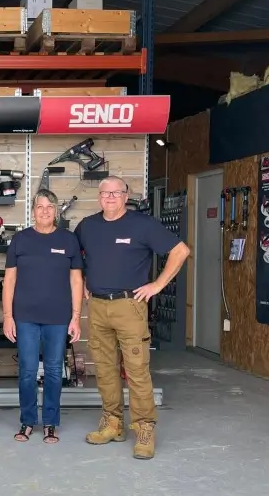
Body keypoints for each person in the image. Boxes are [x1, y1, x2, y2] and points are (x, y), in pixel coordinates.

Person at [75, 176, 190, 460]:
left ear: (126, 196)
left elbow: (180, 251)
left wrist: (157, 285)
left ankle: (144, 428)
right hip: (98, 307)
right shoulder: (87, 227)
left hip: (130, 305)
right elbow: (76, 260)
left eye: (117, 192)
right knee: (104, 368)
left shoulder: (143, 225)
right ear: (99, 196)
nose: (111, 197)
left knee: (137, 371)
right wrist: (86, 281)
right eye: (105, 193)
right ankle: (112, 423)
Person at [2, 189, 83, 445]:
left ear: (56, 210)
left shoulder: (69, 240)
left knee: (53, 371)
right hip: (25, 316)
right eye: (40, 206)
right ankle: (27, 421)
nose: (45, 211)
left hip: (58, 317)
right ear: (33, 210)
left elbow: (76, 280)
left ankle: (50, 423)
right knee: (26, 371)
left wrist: (76, 317)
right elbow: (10, 280)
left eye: (50, 206)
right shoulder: (21, 240)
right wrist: (7, 316)